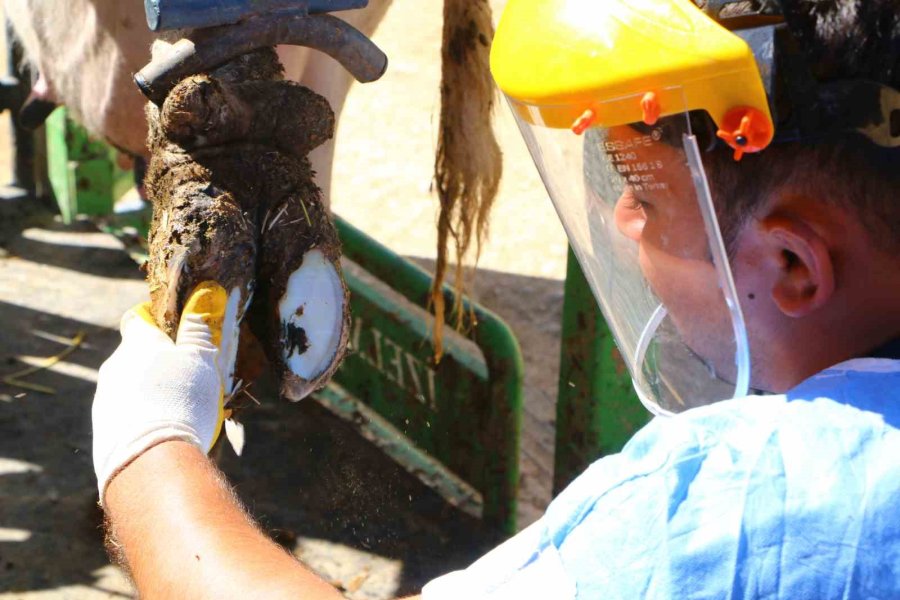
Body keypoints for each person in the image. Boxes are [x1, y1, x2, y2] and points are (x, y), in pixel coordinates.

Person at [92, 0, 900, 597]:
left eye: (645, 200)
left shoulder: (732, 517)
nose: (622, 215)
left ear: (794, 265)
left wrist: (149, 450)